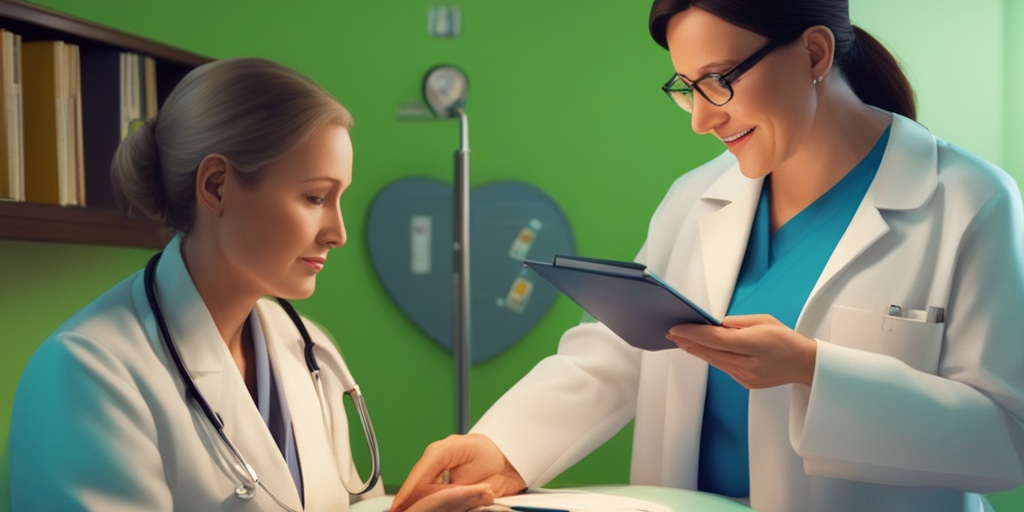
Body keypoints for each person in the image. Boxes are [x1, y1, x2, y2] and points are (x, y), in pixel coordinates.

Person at [391, 1, 1024, 511]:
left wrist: (813, 370)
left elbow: (1005, 436)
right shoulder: (696, 197)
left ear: (814, 53)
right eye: (687, 87)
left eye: (719, 81)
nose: (700, 120)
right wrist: (500, 450)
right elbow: (621, 352)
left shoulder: (969, 200)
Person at [8, 57, 495, 512]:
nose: (338, 233)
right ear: (217, 186)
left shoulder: (310, 351)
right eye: (314, 197)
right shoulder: (87, 371)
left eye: (338, 198)